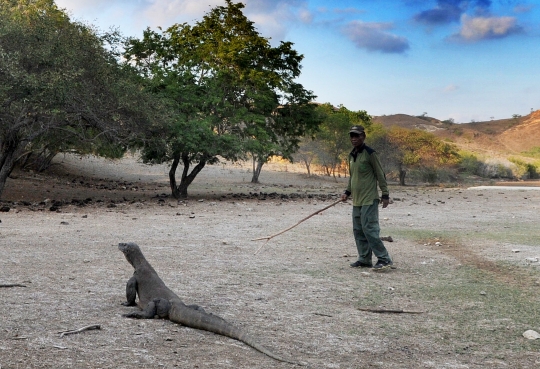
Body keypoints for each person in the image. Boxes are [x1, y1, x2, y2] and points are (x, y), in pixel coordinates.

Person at [340, 125, 393, 271]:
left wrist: (385, 194)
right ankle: (364, 259)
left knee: (370, 229)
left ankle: (384, 259)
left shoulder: (370, 154)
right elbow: (353, 177)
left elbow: (380, 174)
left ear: (363, 136)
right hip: (356, 200)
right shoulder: (351, 155)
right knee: (358, 230)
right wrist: (347, 192)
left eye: (357, 136)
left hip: (369, 199)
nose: (354, 138)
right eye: (352, 136)